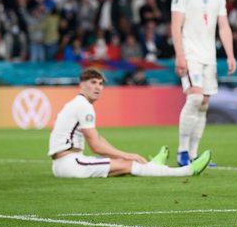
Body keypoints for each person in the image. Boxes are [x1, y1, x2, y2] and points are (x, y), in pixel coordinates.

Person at [48, 68, 212, 178]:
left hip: (63, 164)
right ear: (82, 85)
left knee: (124, 165)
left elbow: (97, 138)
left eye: (100, 83)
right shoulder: (83, 105)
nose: (98, 87)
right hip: (70, 163)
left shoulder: (77, 103)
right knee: (129, 164)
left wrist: (121, 155)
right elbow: (96, 146)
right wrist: (128, 155)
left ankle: (153, 165)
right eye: (93, 82)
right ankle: (186, 171)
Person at [171, 0, 237, 166]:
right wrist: (180, 56)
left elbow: (224, 26)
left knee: (204, 103)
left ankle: (192, 154)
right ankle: (181, 152)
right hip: (190, 54)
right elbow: (175, 25)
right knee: (195, 97)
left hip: (209, 56)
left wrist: (230, 54)